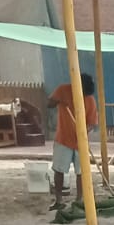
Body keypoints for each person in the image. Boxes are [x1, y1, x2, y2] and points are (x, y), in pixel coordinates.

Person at [48, 73, 97, 208]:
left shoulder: (90, 100)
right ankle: (59, 201)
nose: (85, 95)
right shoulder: (63, 90)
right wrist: (57, 101)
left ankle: (79, 200)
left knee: (81, 172)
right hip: (63, 139)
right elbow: (49, 103)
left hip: (80, 142)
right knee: (59, 170)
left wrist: (86, 130)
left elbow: (92, 123)